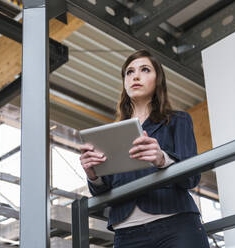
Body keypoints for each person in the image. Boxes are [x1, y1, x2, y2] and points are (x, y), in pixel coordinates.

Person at [79, 50, 209, 248]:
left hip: (175, 225)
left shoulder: (178, 120)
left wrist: (162, 159)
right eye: (129, 72)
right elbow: (103, 192)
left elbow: (191, 178)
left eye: (145, 70)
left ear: (158, 80)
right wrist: (93, 176)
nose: (135, 76)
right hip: (126, 234)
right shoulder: (111, 135)